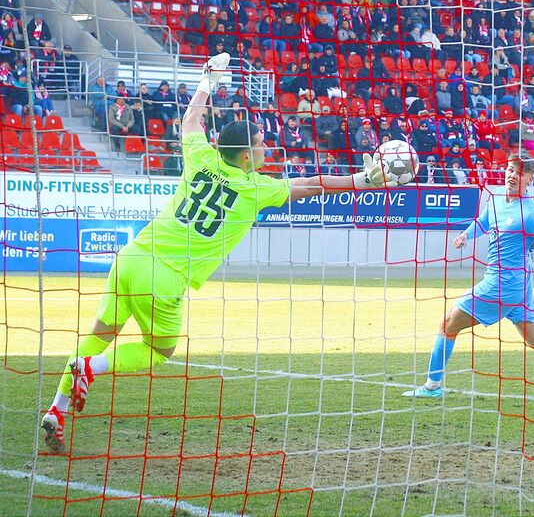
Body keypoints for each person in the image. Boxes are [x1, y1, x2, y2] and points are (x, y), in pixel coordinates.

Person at [39, 54, 414, 453]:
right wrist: (359, 179)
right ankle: (91, 370)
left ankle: (56, 410)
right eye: (260, 144)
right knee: (159, 350)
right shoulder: (256, 189)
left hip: (132, 256)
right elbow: (311, 184)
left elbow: (190, 122)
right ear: (244, 156)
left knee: (99, 335)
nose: (266, 147)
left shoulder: (201, 157)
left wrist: (208, 80)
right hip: (165, 277)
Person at [402, 152, 534, 401]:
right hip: (520, 291)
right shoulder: (495, 202)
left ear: (530, 179)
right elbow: (483, 222)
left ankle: (432, 386)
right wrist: (465, 236)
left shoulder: (531, 214)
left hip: (500, 286)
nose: (513, 175)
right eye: (511, 170)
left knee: (447, 324)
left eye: (520, 172)